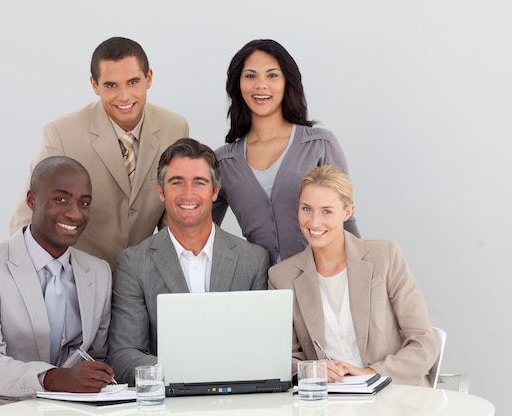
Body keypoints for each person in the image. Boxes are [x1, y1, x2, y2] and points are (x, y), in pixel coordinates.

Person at [9, 36, 189, 272]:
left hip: (144, 276)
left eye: (133, 82)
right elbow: (27, 217)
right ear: (95, 85)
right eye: (111, 85)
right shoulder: (62, 133)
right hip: (78, 276)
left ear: (149, 78)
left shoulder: (175, 128)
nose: (124, 96)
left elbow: (173, 216)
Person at [0, 156, 115, 416]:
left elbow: (97, 355)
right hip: (0, 404)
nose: (75, 213)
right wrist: (54, 378)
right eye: (60, 199)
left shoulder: (98, 272)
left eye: (83, 203)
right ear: (32, 200)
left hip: (72, 407)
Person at [107, 138, 270, 384]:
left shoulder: (253, 260)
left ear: (215, 191)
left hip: (235, 401)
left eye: (199, 183)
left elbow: (262, 347)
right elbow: (123, 357)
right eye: (177, 183)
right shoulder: (134, 263)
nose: (188, 194)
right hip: (167, 404)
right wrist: (191, 371)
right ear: (161, 191)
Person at [268, 165, 438, 386]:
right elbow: (283, 356)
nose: (314, 222)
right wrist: (313, 370)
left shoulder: (385, 257)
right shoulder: (282, 277)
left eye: (327, 211)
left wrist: (370, 372)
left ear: (347, 212)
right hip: (328, 401)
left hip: (393, 394)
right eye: (306, 209)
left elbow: (424, 342)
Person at [212, 39, 359, 266]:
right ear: (237, 85)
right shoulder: (223, 162)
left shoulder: (321, 144)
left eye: (272, 75)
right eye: (250, 76)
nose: (261, 85)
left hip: (322, 280)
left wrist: (359, 281)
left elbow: (345, 222)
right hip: (261, 288)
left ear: (287, 82)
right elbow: (203, 233)